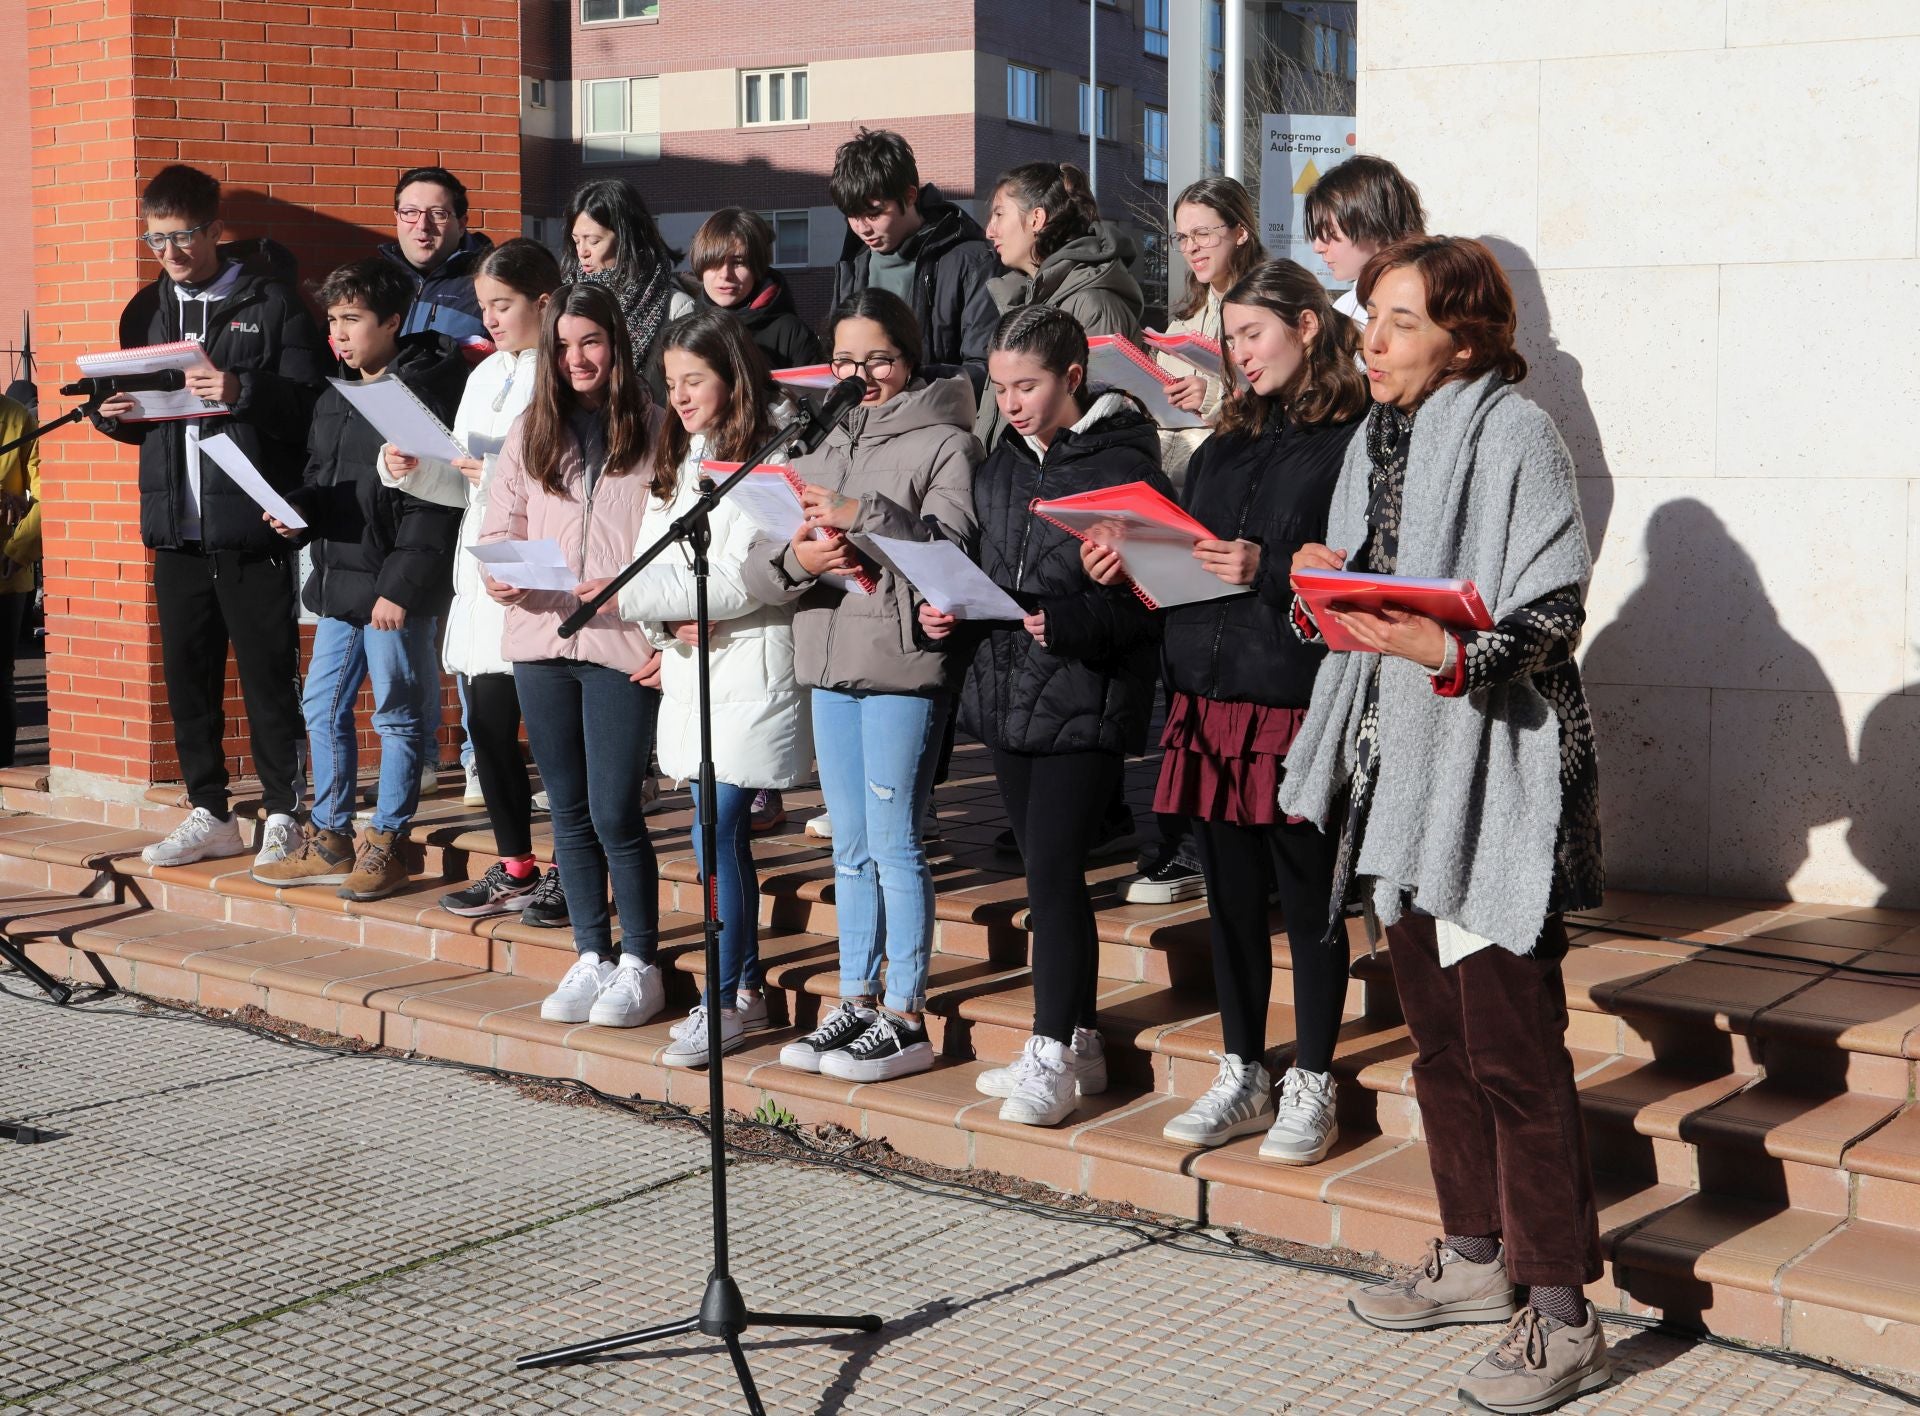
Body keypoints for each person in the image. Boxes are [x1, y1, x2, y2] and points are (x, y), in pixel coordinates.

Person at [1281, 236, 1610, 1409]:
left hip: (1492, 772)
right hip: (1398, 778)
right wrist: (1321, 584)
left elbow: (1554, 613)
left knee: (1516, 1054)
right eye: (1369, 315)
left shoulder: (1518, 435)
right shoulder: (1376, 436)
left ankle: (1564, 1314)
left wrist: (1451, 652)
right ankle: (1476, 1258)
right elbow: (1364, 597)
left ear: (1464, 338)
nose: (1370, 339)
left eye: (1401, 321)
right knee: (1436, 1042)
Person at [1083, 260, 1366, 1160]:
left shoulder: (1354, 438)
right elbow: (1185, 560)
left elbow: (1359, 574)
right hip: (1206, 698)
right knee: (1232, 903)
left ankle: (1312, 1078)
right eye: (1231, 337)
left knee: (1310, 898)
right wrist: (1126, 566)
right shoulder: (1223, 443)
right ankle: (1244, 1069)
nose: (1239, 354)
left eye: (1253, 334)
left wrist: (1269, 568)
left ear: (1309, 326)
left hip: (1293, 698)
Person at [920, 305, 1164, 1127]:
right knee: (1044, 878)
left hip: (1084, 698)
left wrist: (1073, 618)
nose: (1013, 402)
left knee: (1057, 879)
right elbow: (983, 573)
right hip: (1008, 697)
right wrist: (947, 610)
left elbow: (1153, 605)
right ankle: (1079, 1039)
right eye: (1000, 388)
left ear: (1072, 377)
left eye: (1027, 385)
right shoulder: (997, 469)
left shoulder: (1127, 467)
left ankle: (1052, 1049)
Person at [745, 290, 980, 1083]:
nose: (860, 374)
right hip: (827, 657)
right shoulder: (812, 438)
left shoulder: (946, 439)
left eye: (876, 358)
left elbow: (952, 548)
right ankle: (856, 997)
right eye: (845, 360)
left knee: (894, 844)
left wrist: (863, 511)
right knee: (847, 848)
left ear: (908, 358)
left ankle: (906, 1014)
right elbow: (757, 560)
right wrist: (796, 563)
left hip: (901, 664)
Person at [94, 164, 322, 872]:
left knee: (263, 675)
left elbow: (310, 408)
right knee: (188, 676)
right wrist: (115, 420)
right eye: (156, 239)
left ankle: (285, 812)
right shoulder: (145, 309)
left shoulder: (272, 304)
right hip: (176, 527)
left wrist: (241, 388)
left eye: (184, 236)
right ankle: (211, 811)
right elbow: (140, 418)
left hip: (251, 527)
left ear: (215, 229)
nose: (170, 252)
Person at [614, 310, 813, 1066]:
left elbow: (755, 572)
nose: (680, 396)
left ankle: (722, 998)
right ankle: (748, 985)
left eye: (693, 380)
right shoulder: (682, 453)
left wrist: (653, 600)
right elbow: (654, 560)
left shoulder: (776, 449)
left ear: (733, 376)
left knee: (718, 828)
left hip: (754, 667)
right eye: (670, 384)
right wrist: (666, 626)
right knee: (711, 833)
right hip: (698, 674)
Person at [484, 282, 668, 1029]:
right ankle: (592, 951)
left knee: (615, 807)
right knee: (565, 809)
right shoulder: (533, 429)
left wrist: (672, 633)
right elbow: (502, 524)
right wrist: (498, 573)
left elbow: (678, 533)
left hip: (624, 644)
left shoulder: (658, 428)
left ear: (616, 344)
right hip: (543, 636)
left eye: (589, 341)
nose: (576, 357)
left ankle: (641, 962)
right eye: (562, 346)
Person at [251, 259, 464, 898]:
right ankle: (332, 835)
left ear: (392, 322)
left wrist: (399, 588)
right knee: (322, 705)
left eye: (353, 320)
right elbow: (325, 483)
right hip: (340, 582)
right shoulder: (334, 396)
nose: (339, 334)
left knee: (398, 716)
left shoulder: (419, 393)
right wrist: (297, 514)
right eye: (333, 321)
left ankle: (387, 843)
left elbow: (434, 505)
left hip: (395, 591)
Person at [376, 238, 570, 927]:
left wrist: (493, 476)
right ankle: (517, 866)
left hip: (542, 571)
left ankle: (572, 872)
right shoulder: (486, 376)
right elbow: (462, 480)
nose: (488, 318)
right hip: (484, 569)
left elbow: (576, 481)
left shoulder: (569, 370)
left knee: (555, 740)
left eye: (503, 304)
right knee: (489, 732)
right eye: (484, 304)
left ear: (544, 304)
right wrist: (413, 467)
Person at [975, 160, 1144, 449]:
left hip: (1058, 486)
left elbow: (1100, 424)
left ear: (1036, 219)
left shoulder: (1095, 304)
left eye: (999, 214)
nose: (990, 231)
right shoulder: (1022, 299)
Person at [829, 127, 998, 383]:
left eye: (874, 214)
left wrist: (911, 384)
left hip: (944, 417)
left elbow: (986, 367)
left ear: (909, 196)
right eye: (852, 216)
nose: (862, 228)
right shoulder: (853, 263)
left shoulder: (970, 260)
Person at [561, 178, 696, 398]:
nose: (582, 252)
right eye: (576, 241)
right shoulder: (565, 300)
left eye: (593, 241)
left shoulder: (675, 307)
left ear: (627, 238)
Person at [1304, 155, 1428, 340]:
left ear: (1374, 225)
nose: (1318, 247)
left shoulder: (1433, 295)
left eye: (1329, 232)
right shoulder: (1344, 309)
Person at [379, 165, 496, 355]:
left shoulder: (494, 283)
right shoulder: (374, 282)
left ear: (461, 224)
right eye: (410, 212)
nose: (423, 225)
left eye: (437, 214)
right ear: (397, 218)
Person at [688, 208, 823, 371]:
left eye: (738, 262)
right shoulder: (681, 331)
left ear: (758, 266)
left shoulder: (792, 335)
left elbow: (815, 395)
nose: (725, 275)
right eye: (714, 262)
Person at [0, 392, 41, 767]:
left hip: (5, 569)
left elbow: (47, 494)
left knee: (1, 679)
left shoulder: (16, 418)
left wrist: (19, 549)